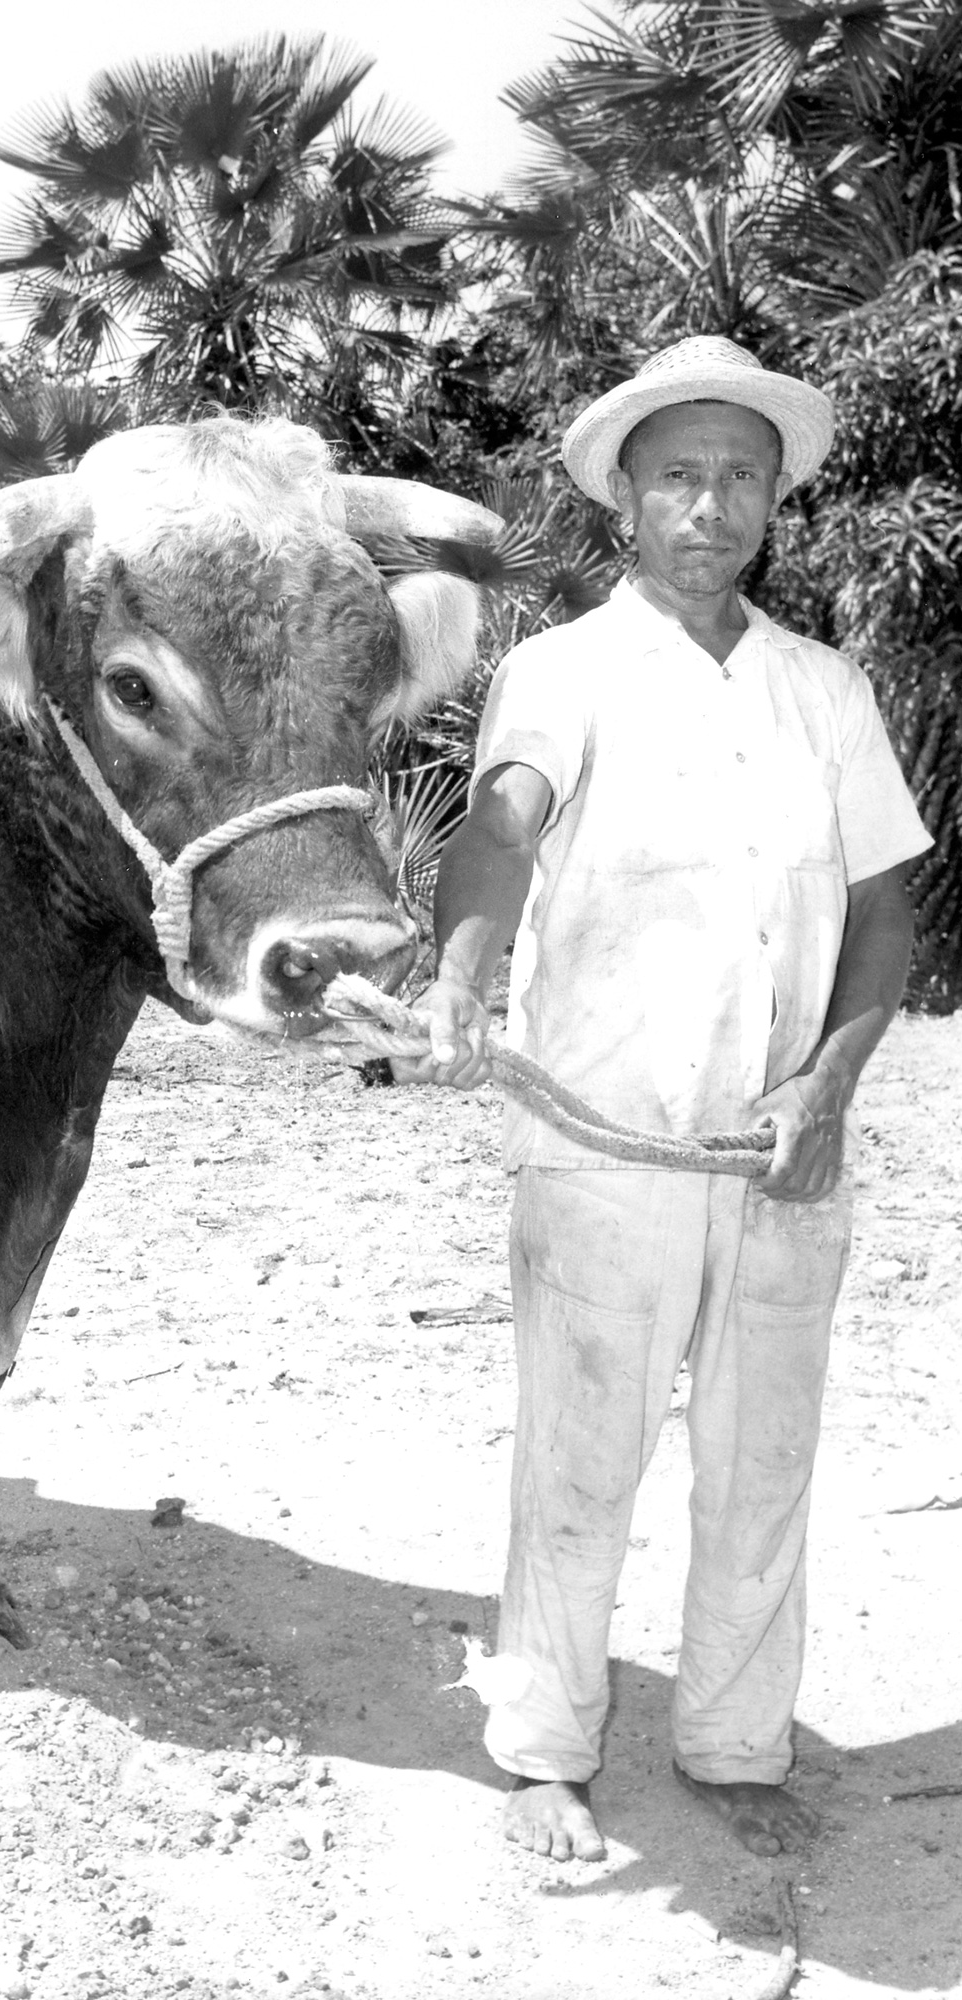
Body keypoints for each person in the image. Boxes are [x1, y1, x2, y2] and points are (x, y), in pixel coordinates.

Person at [396, 336, 932, 1863]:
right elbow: (498, 832)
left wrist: (826, 1088)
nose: (711, 504)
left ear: (773, 502)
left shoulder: (819, 687)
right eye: (681, 476)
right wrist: (461, 977)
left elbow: (886, 906)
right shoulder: (561, 671)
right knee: (581, 1454)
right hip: (601, 1145)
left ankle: (734, 1744)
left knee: (765, 1459)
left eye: (740, 478)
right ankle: (546, 1747)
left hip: (782, 1152)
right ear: (624, 498)